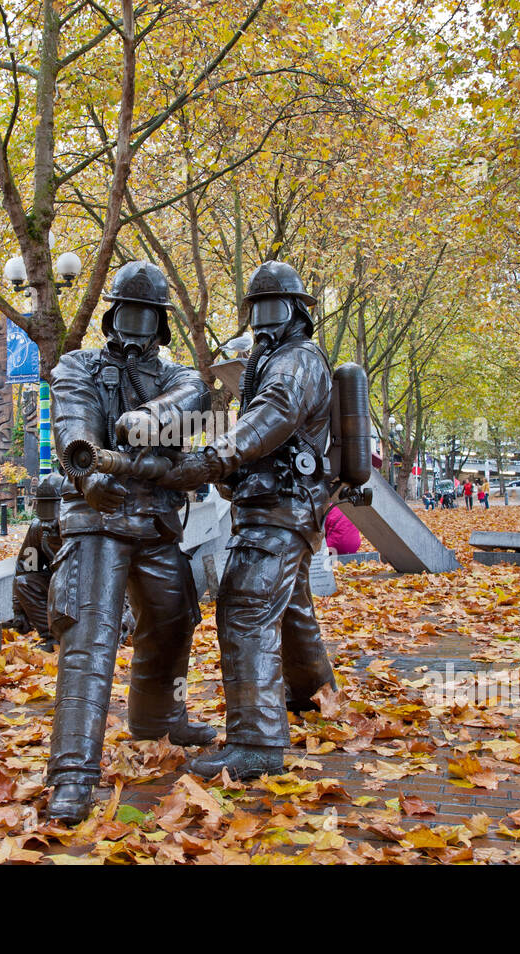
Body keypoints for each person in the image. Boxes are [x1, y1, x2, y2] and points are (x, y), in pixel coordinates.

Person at [44, 260, 216, 824]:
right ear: (113, 314)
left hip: (158, 522)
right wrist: (88, 472)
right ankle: (72, 775)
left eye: (148, 313)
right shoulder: (77, 364)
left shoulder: (178, 376)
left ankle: (156, 719)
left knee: (173, 621)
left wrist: (144, 422)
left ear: (160, 322)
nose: (138, 322)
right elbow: (74, 420)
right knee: (89, 637)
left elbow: (192, 403)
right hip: (98, 518)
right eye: (130, 310)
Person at [163, 260, 338, 781]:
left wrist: (217, 458)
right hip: (272, 506)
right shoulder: (270, 361)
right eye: (256, 310)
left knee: (245, 606)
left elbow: (275, 414)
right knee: (291, 607)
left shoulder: (296, 360)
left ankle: (257, 743)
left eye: (272, 309)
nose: (262, 321)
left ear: (297, 314)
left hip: (283, 510)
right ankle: (313, 694)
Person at [12, 475, 65, 652]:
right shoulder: (37, 529)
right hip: (56, 582)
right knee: (24, 583)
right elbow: (26, 568)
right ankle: (52, 637)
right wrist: (19, 611)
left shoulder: (85, 524)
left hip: (87, 585)